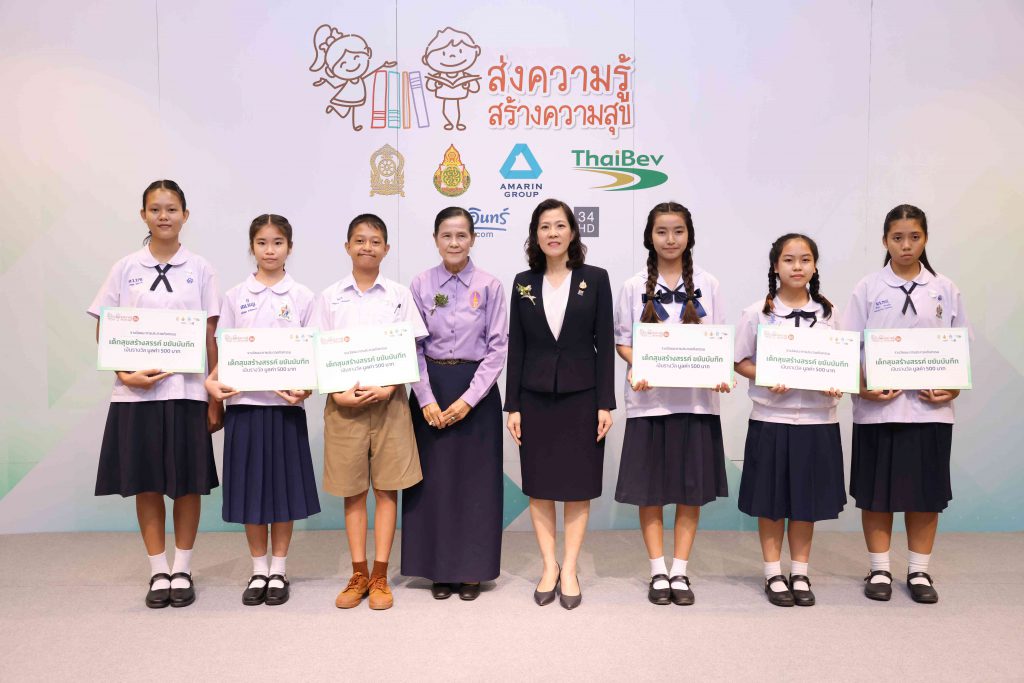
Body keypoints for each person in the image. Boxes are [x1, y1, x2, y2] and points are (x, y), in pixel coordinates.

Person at [88, 179, 220, 609]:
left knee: (187, 485)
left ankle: (182, 568)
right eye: (156, 209)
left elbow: (210, 335)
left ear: (185, 215)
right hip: (137, 396)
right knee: (146, 483)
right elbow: (107, 328)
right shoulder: (125, 268)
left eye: (172, 208)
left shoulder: (200, 268)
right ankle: (158, 569)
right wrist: (125, 375)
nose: (164, 216)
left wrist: (214, 395)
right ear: (143, 215)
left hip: (187, 393)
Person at [844, 204, 969, 604]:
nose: (906, 245)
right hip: (878, 412)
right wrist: (861, 387)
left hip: (930, 412)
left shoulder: (945, 289)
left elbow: (958, 347)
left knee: (925, 494)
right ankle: (879, 568)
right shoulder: (868, 288)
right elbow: (847, 347)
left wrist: (952, 389)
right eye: (897, 238)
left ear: (925, 238)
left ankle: (919, 571)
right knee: (875, 493)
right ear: (885, 241)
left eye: (914, 237)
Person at [613, 201, 731, 606]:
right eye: (661, 231)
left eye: (678, 231)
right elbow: (623, 342)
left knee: (689, 490)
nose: (670, 239)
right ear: (650, 236)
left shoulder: (709, 284)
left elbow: (717, 341)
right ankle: (657, 570)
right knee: (650, 491)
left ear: (689, 235)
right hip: (650, 403)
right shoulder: (633, 287)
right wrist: (641, 363)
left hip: (696, 404)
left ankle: (680, 570)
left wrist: (720, 371)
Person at [205, 214, 321, 607]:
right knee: (251, 491)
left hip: (285, 411)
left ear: (290, 247)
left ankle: (279, 570)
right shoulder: (236, 296)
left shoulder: (302, 296)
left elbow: (312, 354)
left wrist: (306, 387)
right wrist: (211, 384)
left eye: (277, 242)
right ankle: (258, 569)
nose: (270, 250)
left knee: (283, 491)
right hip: (245, 409)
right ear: (252, 247)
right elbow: (225, 350)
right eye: (262, 243)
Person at [505, 198, 615, 610]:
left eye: (560, 225)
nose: (552, 233)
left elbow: (605, 343)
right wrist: (512, 406)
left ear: (572, 231)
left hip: (582, 398)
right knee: (540, 487)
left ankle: (569, 568)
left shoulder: (595, 279)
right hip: (534, 399)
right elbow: (517, 346)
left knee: (577, 487)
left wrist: (605, 403)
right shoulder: (523, 282)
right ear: (535, 235)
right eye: (544, 226)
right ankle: (548, 566)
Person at [314, 213, 427, 611]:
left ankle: (380, 575)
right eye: (360, 240)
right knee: (353, 491)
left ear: (386, 249)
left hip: (389, 403)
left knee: (387, 488)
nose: (367, 247)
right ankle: (358, 572)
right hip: (343, 406)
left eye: (375, 241)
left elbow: (410, 349)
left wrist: (390, 387)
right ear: (347, 246)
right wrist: (337, 394)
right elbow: (318, 350)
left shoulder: (398, 295)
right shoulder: (329, 297)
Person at [734, 233, 846, 607]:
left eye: (805, 259)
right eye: (789, 259)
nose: (797, 266)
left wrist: (837, 381)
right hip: (771, 417)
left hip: (818, 421)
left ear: (814, 266)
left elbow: (842, 362)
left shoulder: (830, 313)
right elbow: (739, 361)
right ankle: (772, 573)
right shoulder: (757, 312)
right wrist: (765, 373)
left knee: (805, 501)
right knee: (771, 501)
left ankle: (800, 571)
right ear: (775, 266)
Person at [402, 207, 507, 601]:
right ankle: (438, 570)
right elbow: (411, 346)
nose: (454, 242)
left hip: (475, 394)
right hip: (430, 389)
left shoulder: (490, 285)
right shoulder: (420, 283)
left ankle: (472, 570)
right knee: (433, 483)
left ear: (473, 239)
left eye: (462, 235)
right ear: (435, 239)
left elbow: (497, 348)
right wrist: (425, 398)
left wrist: (468, 400)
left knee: (474, 485)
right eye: (446, 235)